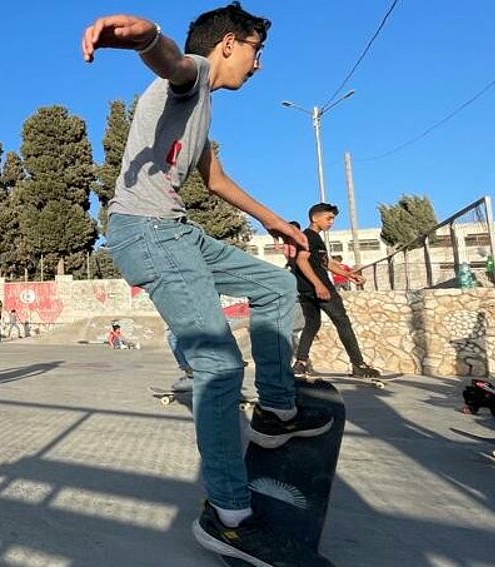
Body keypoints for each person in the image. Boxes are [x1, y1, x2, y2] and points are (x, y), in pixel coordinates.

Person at [85, 4, 334, 564]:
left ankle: (275, 412)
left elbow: (214, 179)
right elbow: (169, 61)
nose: (258, 65)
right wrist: (146, 35)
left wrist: (275, 221)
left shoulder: (203, 111)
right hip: (148, 232)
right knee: (219, 365)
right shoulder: (193, 74)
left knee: (273, 286)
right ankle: (230, 517)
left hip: (176, 231)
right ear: (228, 45)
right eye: (255, 51)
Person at [291, 203, 380, 379]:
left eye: (333, 219)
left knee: (312, 323)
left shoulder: (315, 238)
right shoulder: (309, 236)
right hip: (319, 288)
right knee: (342, 321)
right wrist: (319, 285)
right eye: (328, 218)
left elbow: (325, 263)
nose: (331, 222)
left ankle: (301, 363)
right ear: (315, 218)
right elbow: (302, 261)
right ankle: (358, 365)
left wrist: (348, 274)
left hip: (306, 289)